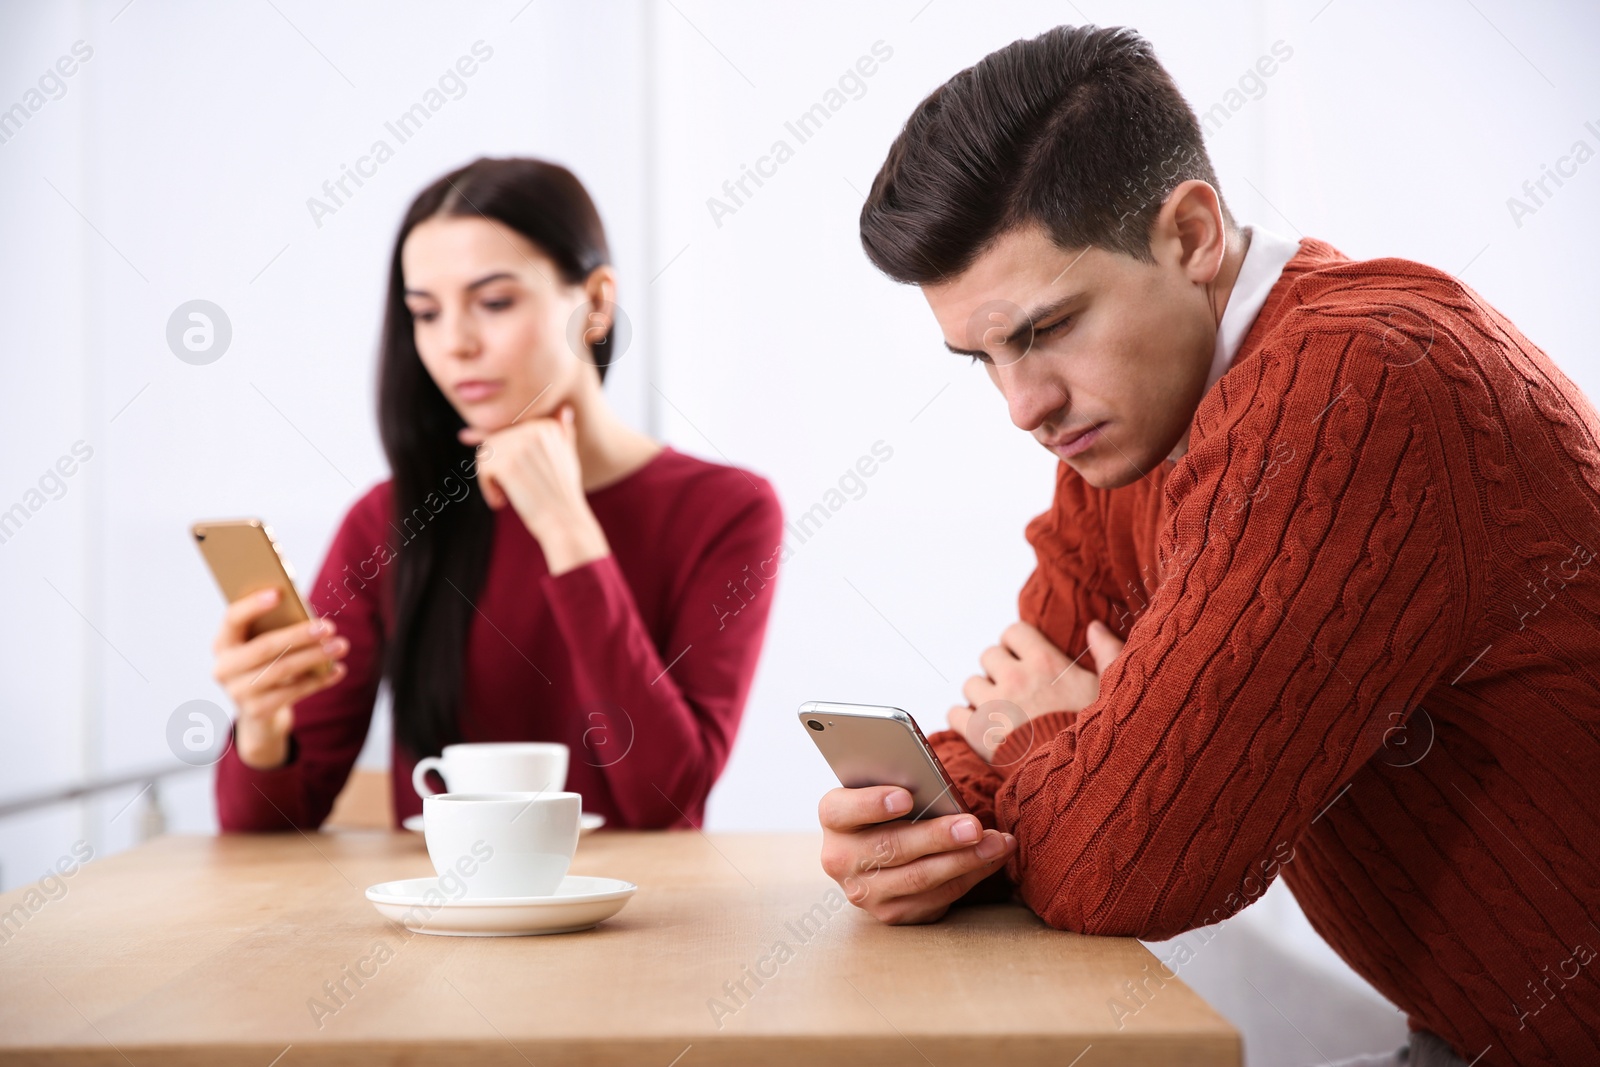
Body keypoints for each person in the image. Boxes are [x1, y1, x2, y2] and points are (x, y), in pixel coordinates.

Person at [815, 24, 1600, 1067]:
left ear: (1189, 235)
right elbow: (1018, 696)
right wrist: (911, 830)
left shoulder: (1357, 387)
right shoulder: (1127, 429)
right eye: (983, 357)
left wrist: (1059, 748)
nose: (1021, 404)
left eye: (1046, 328)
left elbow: (1131, 862)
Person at [211, 157, 783, 831]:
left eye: (495, 302)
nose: (455, 343)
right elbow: (266, 831)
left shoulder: (726, 509)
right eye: (425, 312)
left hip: (645, 927)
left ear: (596, 304)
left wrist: (569, 532)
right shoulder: (386, 521)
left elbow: (666, 800)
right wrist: (261, 722)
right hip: (442, 926)